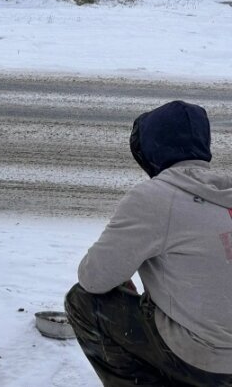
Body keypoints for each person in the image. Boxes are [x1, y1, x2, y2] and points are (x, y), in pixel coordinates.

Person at [65, 100, 232, 386]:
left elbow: (93, 278)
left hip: (207, 360)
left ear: (151, 149)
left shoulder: (155, 198)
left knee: (83, 301)